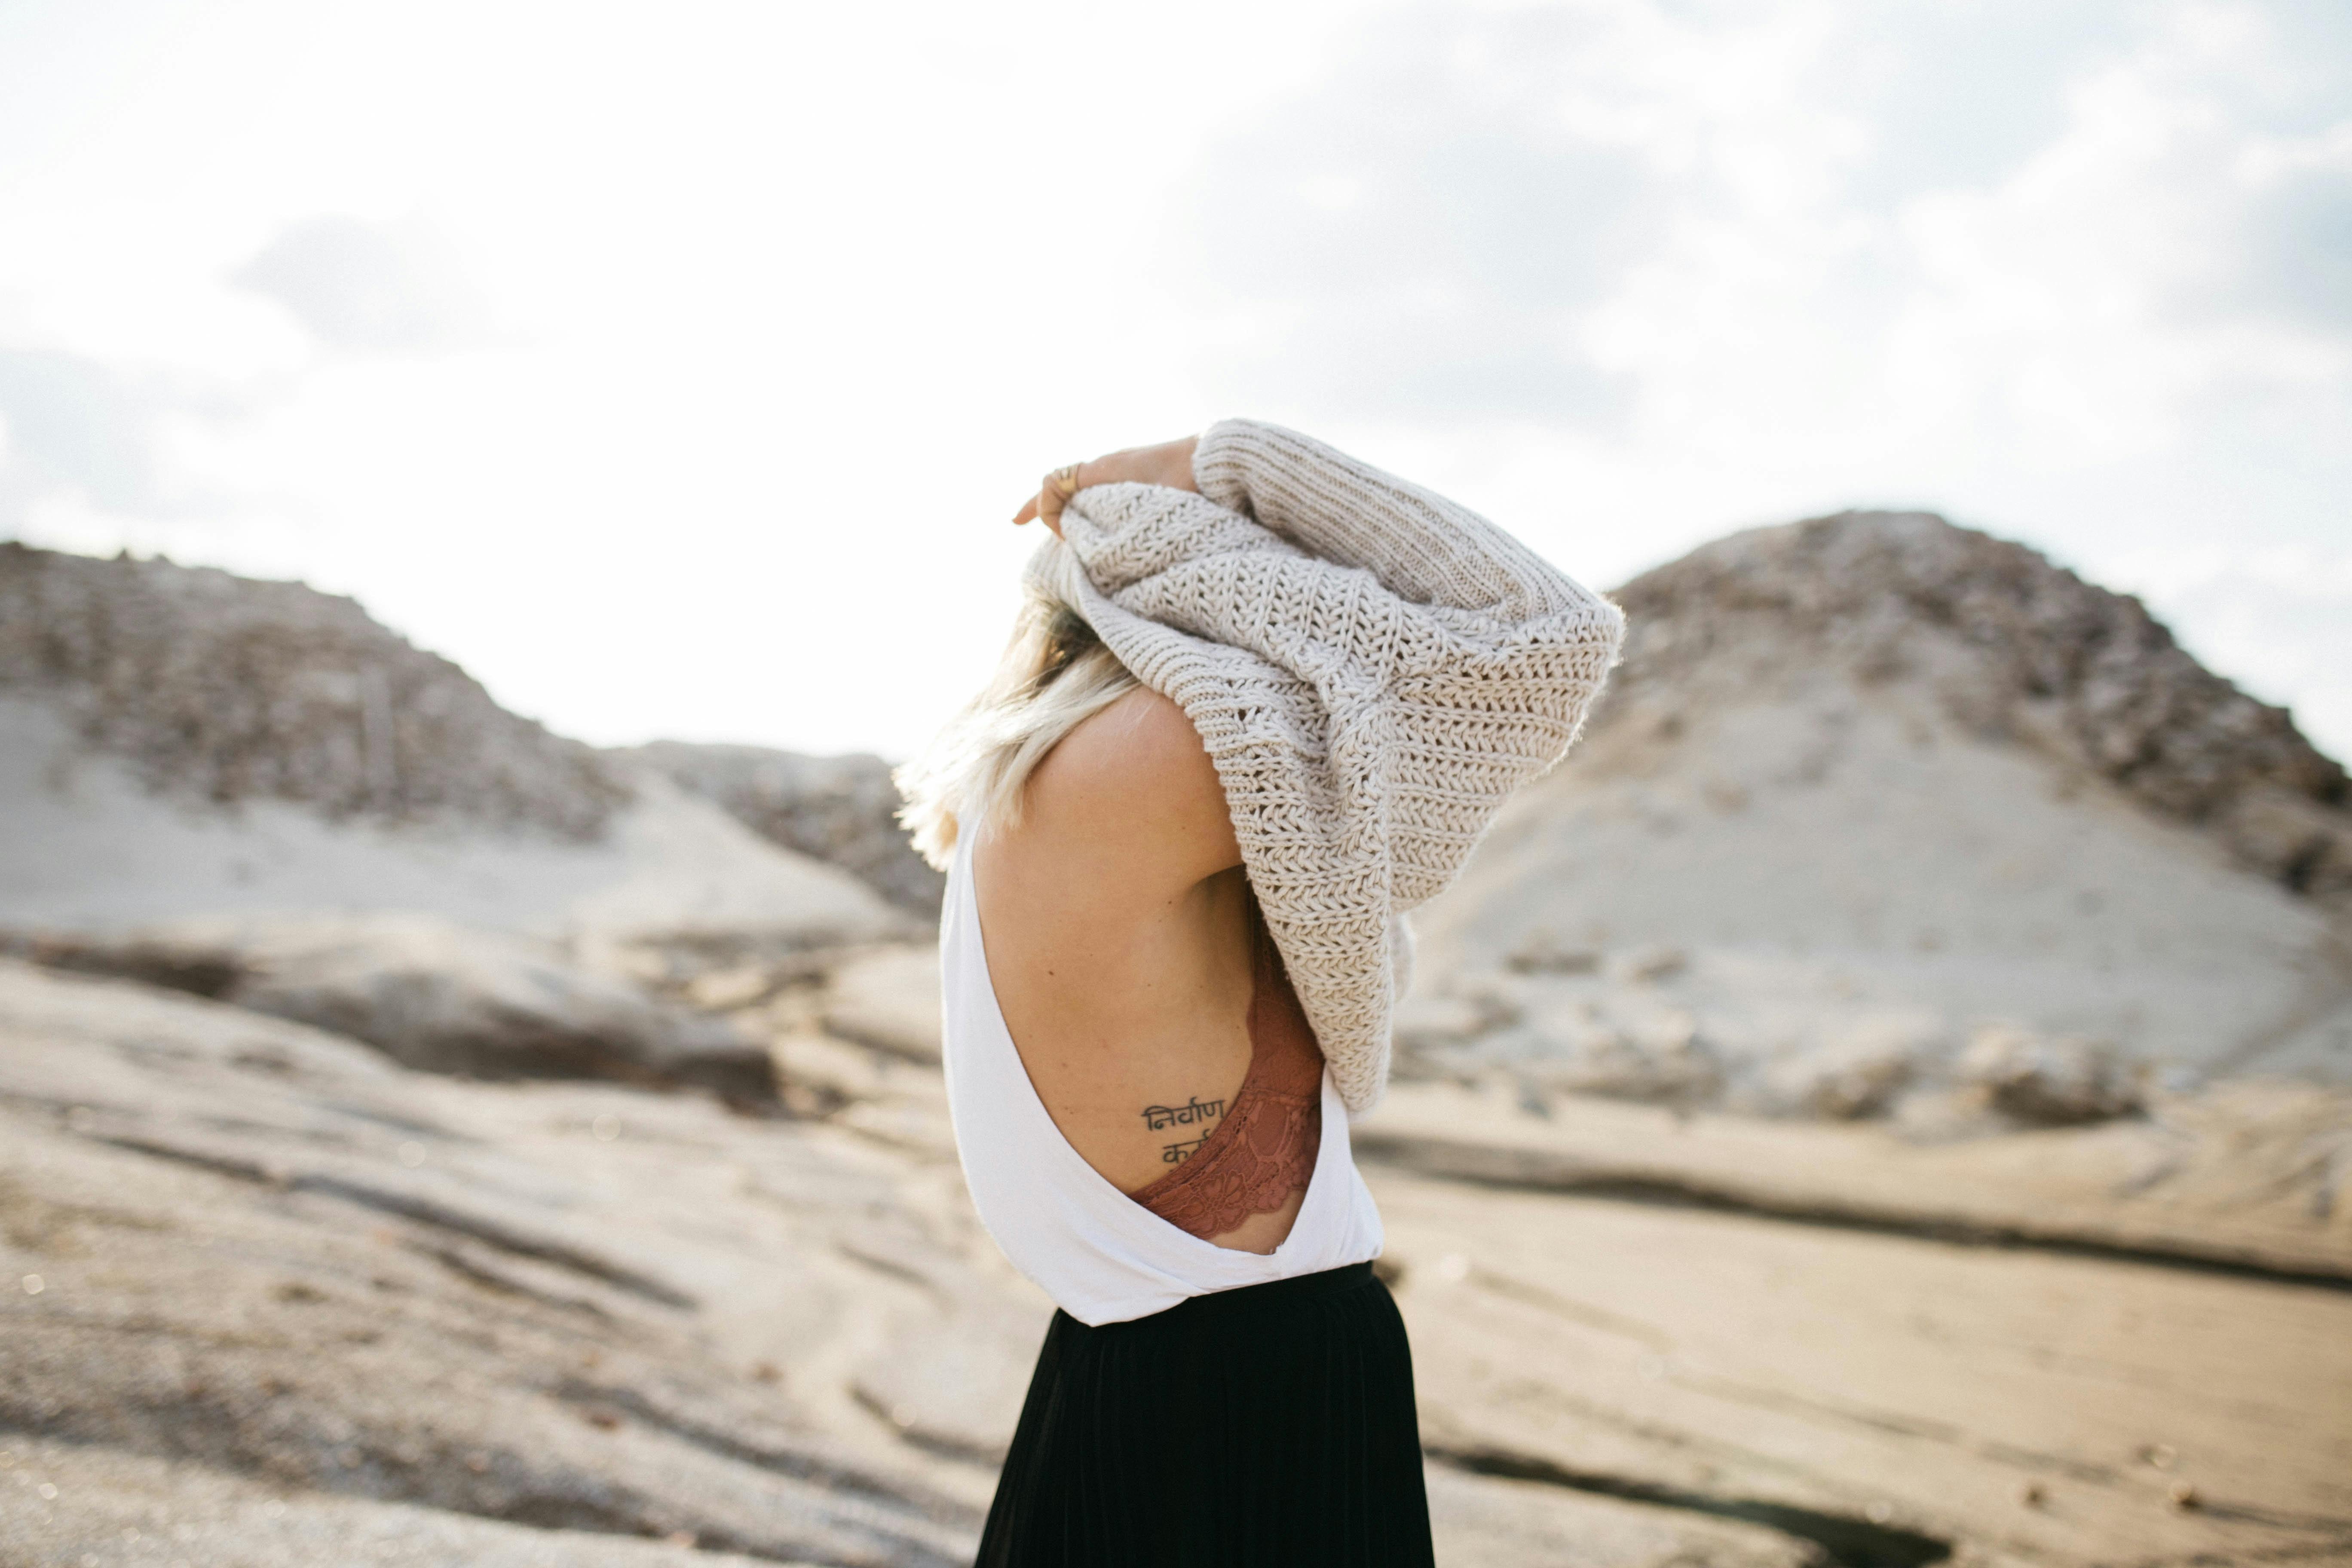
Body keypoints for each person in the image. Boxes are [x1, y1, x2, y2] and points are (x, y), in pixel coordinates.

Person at [895, 420, 1624, 1567]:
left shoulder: (1058, 770)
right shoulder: (1152, 755)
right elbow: (1541, 635)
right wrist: (1213, 462)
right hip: (1242, 1391)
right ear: (1208, 581)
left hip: (1154, 1370)